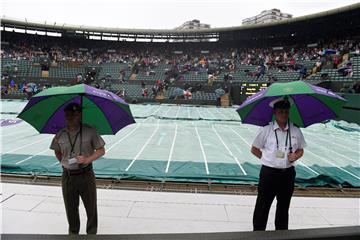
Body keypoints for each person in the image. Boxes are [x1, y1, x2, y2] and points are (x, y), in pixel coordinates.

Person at [251, 98, 306, 231]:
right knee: (262, 206)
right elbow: (254, 149)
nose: (284, 114)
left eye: (286, 112)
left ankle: (281, 234)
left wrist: (295, 156)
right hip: (268, 174)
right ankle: (258, 234)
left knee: (284, 206)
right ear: (275, 112)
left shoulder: (295, 130)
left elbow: (301, 149)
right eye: (281, 111)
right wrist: (268, 160)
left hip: (287, 174)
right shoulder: (266, 129)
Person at [50, 103, 105, 235]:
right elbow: (57, 152)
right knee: (70, 208)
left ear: (80, 115)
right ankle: (73, 234)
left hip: (86, 175)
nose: (70, 117)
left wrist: (87, 159)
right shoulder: (60, 134)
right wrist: (65, 163)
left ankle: (91, 234)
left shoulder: (90, 131)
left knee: (91, 208)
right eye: (67, 114)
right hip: (68, 176)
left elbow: (101, 150)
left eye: (74, 114)